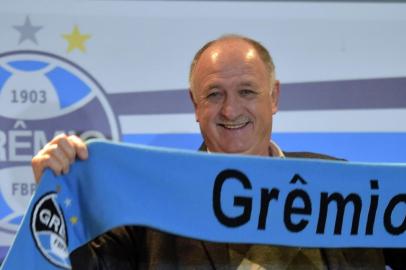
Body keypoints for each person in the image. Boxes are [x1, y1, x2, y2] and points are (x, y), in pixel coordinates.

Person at [32, 35, 390, 269]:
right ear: (195, 104)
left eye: (247, 92)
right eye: (215, 94)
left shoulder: (343, 187)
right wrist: (54, 199)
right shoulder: (151, 196)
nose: (231, 111)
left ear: (274, 97)